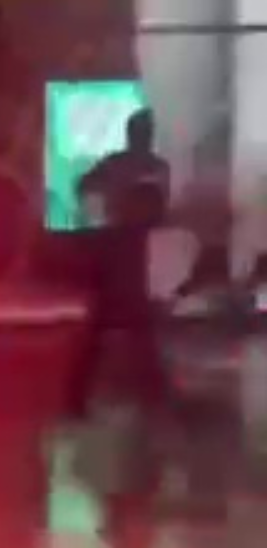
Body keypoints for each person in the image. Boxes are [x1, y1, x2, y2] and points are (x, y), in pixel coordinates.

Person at [67, 107, 173, 414]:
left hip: (136, 242)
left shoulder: (152, 165)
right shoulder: (123, 163)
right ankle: (149, 395)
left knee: (125, 320)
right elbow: (84, 186)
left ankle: (148, 395)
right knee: (117, 319)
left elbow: (160, 202)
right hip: (120, 241)